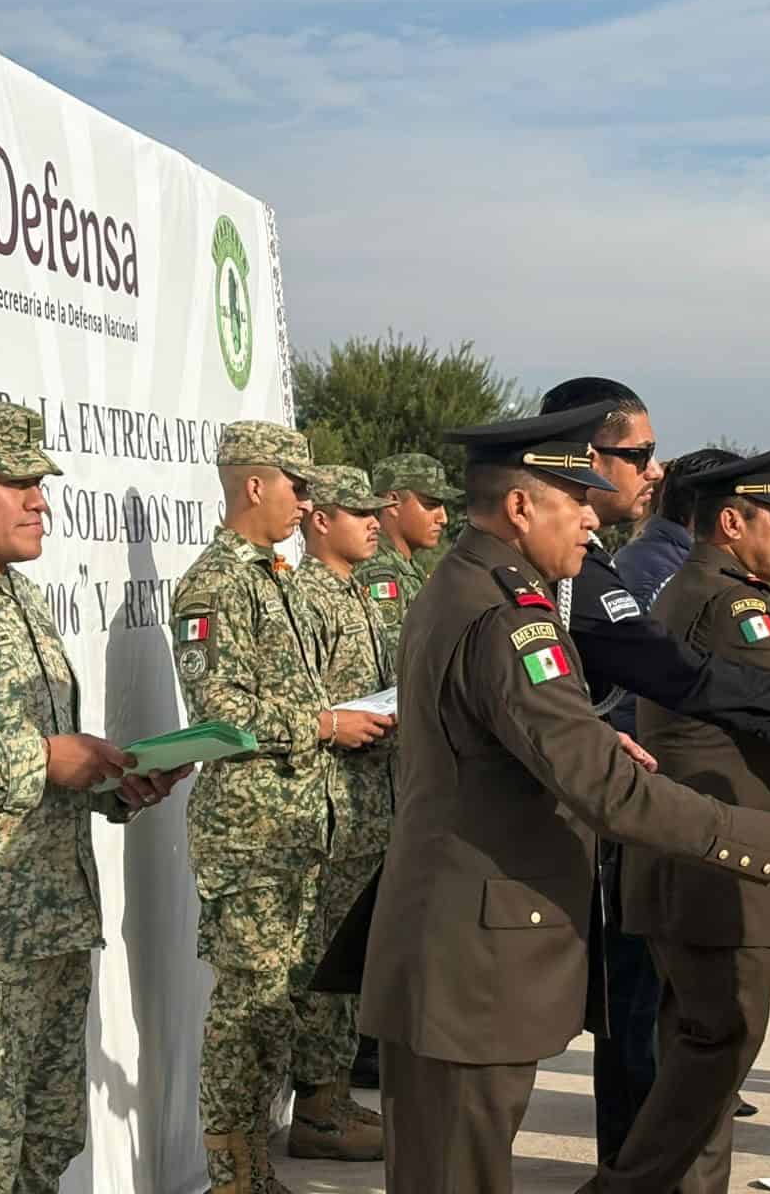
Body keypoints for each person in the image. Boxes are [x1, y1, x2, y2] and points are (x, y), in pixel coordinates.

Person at [357, 404, 770, 1194]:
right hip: (472, 952)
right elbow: (609, 791)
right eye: (577, 508)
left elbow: (515, 746)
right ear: (523, 505)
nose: (591, 531)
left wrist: (594, 745)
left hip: (460, 939)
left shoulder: (471, 590)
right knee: (455, 1172)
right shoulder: (509, 618)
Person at [533, 377, 770, 1164]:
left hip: (699, 856)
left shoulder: (695, 589)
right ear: (732, 521)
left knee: (695, 1049)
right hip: (715, 862)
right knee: (711, 1051)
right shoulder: (722, 602)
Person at [171, 422, 394, 1192]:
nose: (307, 500)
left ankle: (259, 1163)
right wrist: (325, 723)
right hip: (253, 835)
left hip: (302, 829)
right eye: (297, 486)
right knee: (247, 1015)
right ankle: (235, 1174)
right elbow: (218, 705)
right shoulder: (215, 583)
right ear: (253, 484)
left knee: (281, 1010)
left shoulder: (274, 579)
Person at [0, 402, 185, 1193]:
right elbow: (30, 754)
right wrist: (44, 757)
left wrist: (113, 781)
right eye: (19, 482)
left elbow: (47, 757)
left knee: (46, 1138)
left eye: (42, 482)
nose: (42, 499)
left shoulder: (21, 597)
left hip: (52, 922)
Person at [290, 465, 400, 1149]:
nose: (373, 521)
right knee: (319, 966)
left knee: (349, 963)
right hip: (328, 802)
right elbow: (303, 705)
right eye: (357, 511)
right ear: (319, 519)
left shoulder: (356, 591)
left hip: (369, 800)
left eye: (375, 511)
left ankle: (334, 1094)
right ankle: (317, 1109)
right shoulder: (303, 597)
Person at [347, 450, 459, 1087]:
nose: (441, 515)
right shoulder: (378, 577)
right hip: (375, 756)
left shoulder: (416, 574)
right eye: (429, 501)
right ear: (393, 503)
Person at [355, 452, 460, 660]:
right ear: (393, 502)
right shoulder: (379, 572)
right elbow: (398, 661)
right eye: (431, 505)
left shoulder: (407, 566)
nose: (443, 518)